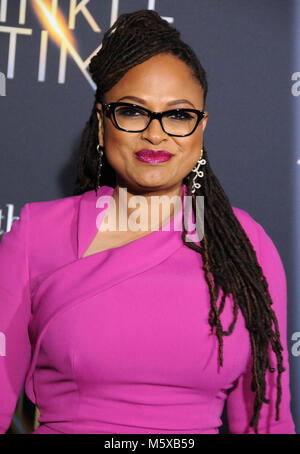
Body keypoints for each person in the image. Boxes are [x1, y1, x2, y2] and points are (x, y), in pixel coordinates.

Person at [0, 9, 295, 435]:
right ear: (102, 125)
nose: (155, 134)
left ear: (200, 129)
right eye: (134, 111)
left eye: (178, 115)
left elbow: (268, 420)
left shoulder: (245, 246)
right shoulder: (36, 234)